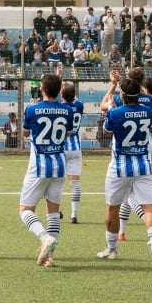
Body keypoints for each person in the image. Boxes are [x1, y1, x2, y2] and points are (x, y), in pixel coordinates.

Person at [97, 73, 152, 265]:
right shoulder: (149, 111)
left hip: (120, 165)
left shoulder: (115, 113)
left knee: (113, 207)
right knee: (148, 206)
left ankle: (111, 249)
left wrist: (111, 107)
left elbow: (106, 132)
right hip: (143, 163)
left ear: (123, 95)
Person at [20, 72, 77, 267]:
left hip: (39, 166)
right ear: (59, 90)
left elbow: (25, 133)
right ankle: (49, 257)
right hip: (60, 165)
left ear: (42, 89)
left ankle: (45, 238)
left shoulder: (32, 110)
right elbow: (68, 132)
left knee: (25, 210)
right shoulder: (68, 111)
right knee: (53, 212)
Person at [60, 82, 86, 224]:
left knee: (55, 181)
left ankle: (56, 210)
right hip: (75, 148)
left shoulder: (60, 107)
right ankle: (74, 214)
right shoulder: (80, 105)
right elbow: (71, 97)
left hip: (61, 148)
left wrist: (59, 78)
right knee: (75, 184)